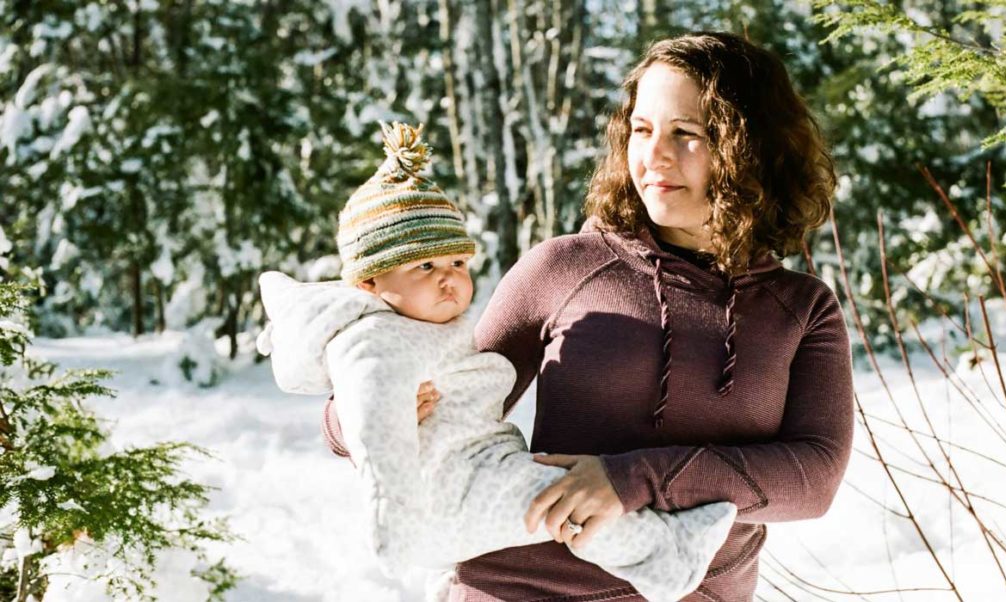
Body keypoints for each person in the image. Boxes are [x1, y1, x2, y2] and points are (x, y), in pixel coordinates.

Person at [324, 31, 854, 601]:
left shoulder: (800, 309)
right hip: (522, 586)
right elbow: (451, 396)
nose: (654, 155)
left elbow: (814, 478)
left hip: (695, 590)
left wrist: (629, 481)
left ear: (750, 147)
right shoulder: (566, 267)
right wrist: (362, 413)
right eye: (642, 130)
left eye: (687, 134)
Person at [257, 122, 737, 602]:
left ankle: (662, 555)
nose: (449, 280)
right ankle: (665, 555)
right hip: (447, 492)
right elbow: (376, 436)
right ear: (369, 283)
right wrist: (391, 517)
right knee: (562, 504)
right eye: (424, 266)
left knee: (563, 500)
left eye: (458, 264)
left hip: (472, 478)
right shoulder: (375, 340)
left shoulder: (419, 325)